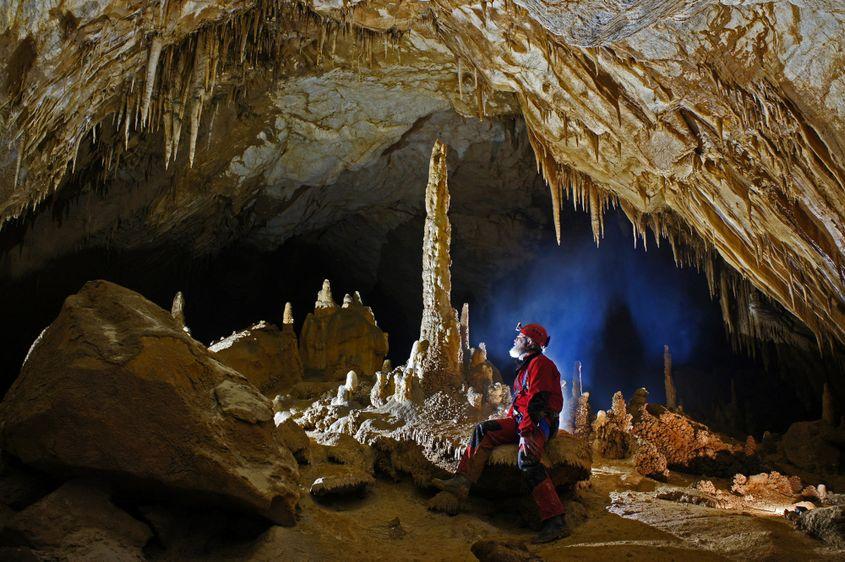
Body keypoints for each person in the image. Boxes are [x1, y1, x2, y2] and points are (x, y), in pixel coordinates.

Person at [432, 322, 568, 543]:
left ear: (530, 342)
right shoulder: (527, 366)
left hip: (539, 422)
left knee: (528, 459)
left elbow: (538, 401)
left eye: (520, 337)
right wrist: (510, 420)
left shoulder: (541, 364)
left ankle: (556, 521)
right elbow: (521, 402)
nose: (515, 340)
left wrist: (526, 433)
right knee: (483, 430)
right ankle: (461, 483)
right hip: (523, 420)